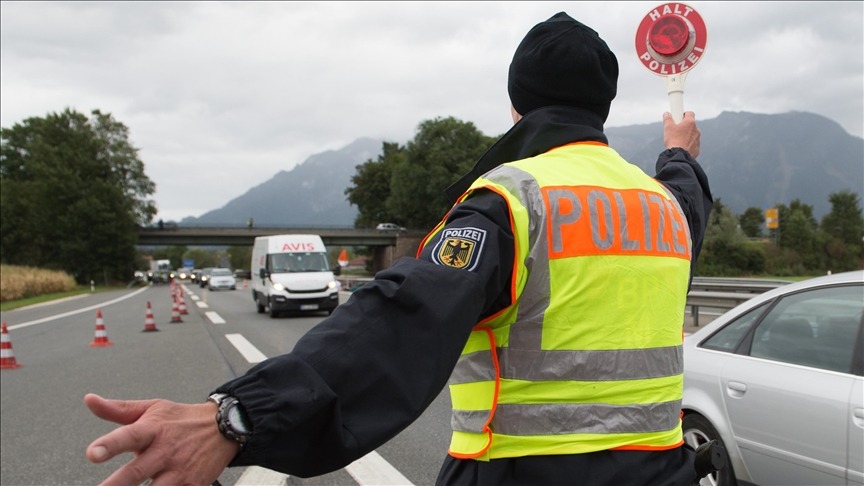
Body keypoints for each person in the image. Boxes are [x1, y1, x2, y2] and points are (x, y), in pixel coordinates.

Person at [85, 12, 711, 486]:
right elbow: (690, 196)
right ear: (604, 105)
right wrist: (678, 152)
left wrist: (237, 417)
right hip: (662, 471)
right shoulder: (665, 209)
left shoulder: (514, 199)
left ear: (516, 107)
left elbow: (402, 317)